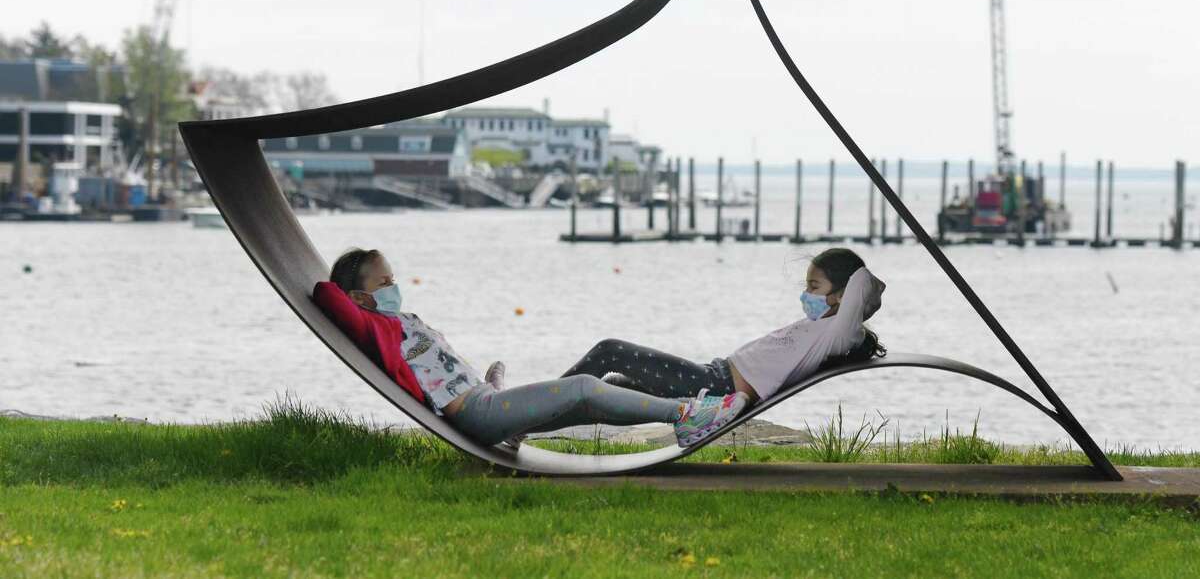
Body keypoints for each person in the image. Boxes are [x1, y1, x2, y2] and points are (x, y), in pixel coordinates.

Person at [322, 248, 748, 448]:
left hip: (486, 402)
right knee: (583, 385)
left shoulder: (401, 321)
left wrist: (494, 382)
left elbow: (443, 374)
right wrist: (341, 290)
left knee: (591, 404)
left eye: (394, 278)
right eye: (384, 283)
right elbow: (327, 295)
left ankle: (689, 410)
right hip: (478, 415)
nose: (394, 287)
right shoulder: (375, 324)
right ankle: (687, 415)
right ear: (360, 298)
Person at [560, 248, 886, 405]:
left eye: (814, 287)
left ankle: (522, 410)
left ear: (844, 295)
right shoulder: (822, 326)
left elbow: (866, 283)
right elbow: (857, 287)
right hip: (713, 374)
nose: (805, 294)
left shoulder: (838, 334)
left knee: (610, 350)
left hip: (716, 388)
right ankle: (523, 422)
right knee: (612, 384)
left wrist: (851, 283)